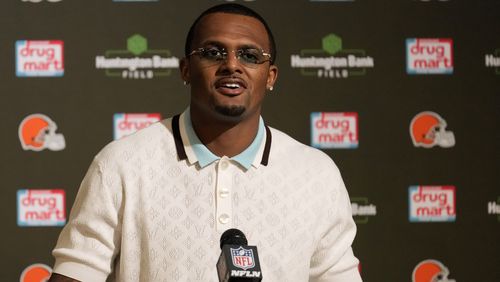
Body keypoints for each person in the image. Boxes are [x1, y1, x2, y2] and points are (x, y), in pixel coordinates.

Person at [49, 3, 362, 282]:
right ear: (186, 69)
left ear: (271, 76)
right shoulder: (122, 164)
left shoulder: (316, 173)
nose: (232, 65)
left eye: (250, 55)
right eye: (213, 52)